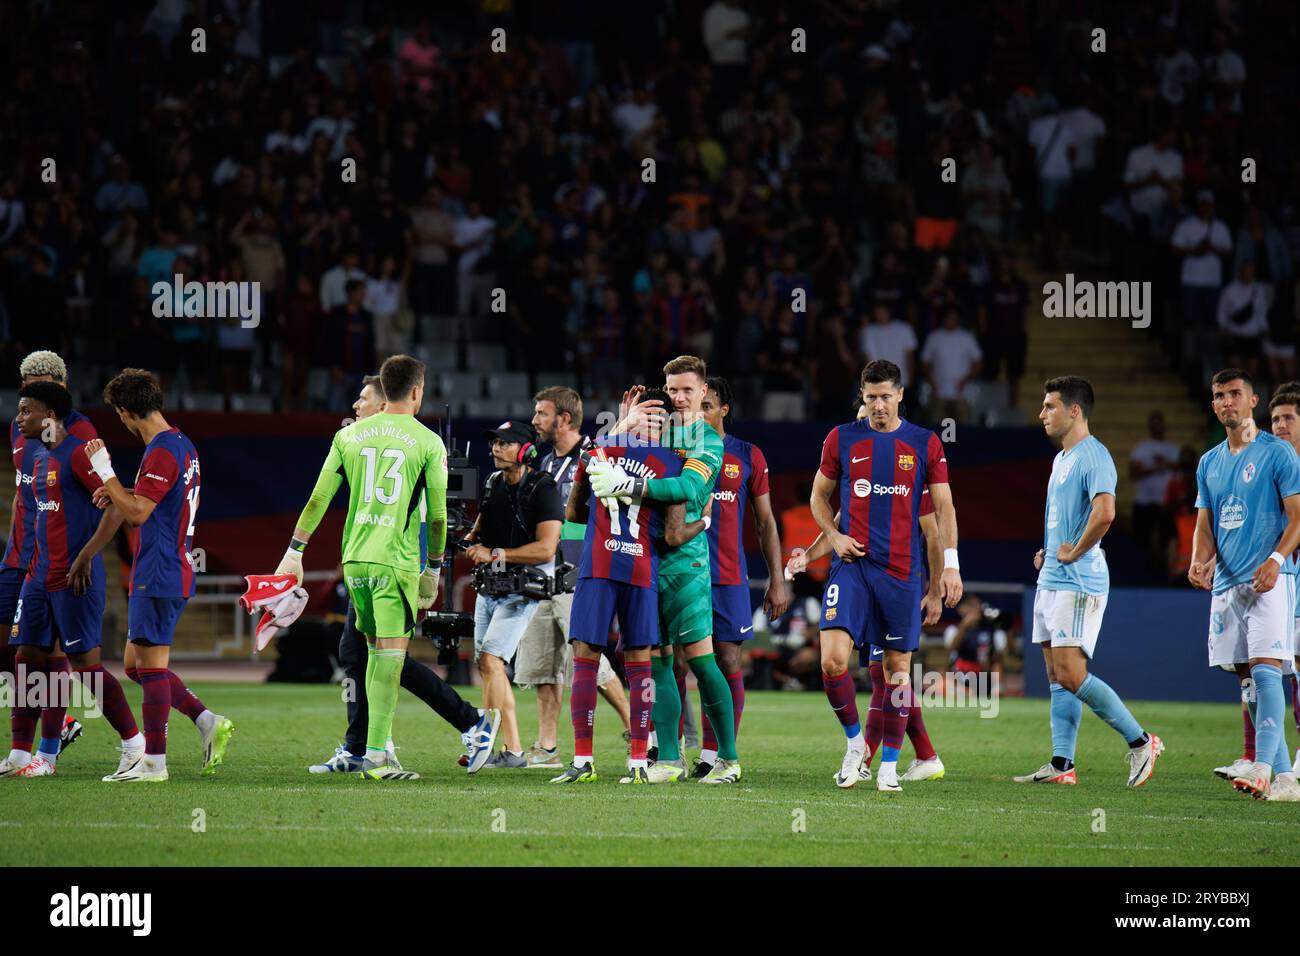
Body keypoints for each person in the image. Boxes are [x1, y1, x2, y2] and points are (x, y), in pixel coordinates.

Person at [307, 375, 499, 776]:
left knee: (375, 657)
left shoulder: (387, 443)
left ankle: (382, 745)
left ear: (383, 404)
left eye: (363, 399)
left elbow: (433, 514)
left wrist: (430, 567)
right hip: (381, 562)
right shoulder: (396, 443)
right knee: (367, 656)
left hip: (388, 561)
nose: (355, 406)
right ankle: (368, 746)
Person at [277, 355, 445, 781]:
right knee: (390, 657)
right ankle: (376, 756)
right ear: (416, 391)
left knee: (372, 653)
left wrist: (295, 551)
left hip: (354, 561)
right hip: (396, 561)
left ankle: (370, 749)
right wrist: (435, 568)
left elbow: (318, 498)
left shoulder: (349, 436)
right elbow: (439, 518)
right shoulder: (428, 442)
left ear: (383, 390)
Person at [808, 366, 961, 792]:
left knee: (895, 672)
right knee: (832, 661)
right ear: (862, 394)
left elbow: (942, 512)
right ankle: (856, 745)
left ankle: (890, 766)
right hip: (852, 567)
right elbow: (818, 496)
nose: (878, 405)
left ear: (900, 395)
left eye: (885, 397)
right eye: (871, 397)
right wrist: (833, 538)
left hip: (901, 573)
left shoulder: (924, 443)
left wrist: (949, 568)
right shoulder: (841, 438)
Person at [590, 355, 742, 784]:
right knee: (656, 661)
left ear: (702, 392)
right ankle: (670, 759)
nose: (678, 397)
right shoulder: (654, 431)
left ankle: (728, 759)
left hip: (686, 563)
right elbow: (601, 462)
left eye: (687, 390)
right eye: (672, 389)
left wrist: (633, 485)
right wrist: (622, 428)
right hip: (645, 557)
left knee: (701, 661)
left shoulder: (707, 441)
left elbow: (689, 487)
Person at [85, 369, 234, 782]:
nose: (121, 422)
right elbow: (149, 503)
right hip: (170, 566)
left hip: (159, 569)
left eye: (119, 413)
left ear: (127, 410)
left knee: (149, 669)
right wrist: (117, 492)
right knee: (135, 665)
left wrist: (104, 470)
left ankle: (154, 764)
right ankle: (205, 720)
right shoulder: (181, 444)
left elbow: (136, 515)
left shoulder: (161, 451)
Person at [1016, 377, 1163, 788]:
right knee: (1055, 674)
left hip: (1079, 578)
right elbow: (1070, 517)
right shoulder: (1062, 459)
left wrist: (1075, 551)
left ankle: (1141, 741)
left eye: (1049, 406)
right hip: (1054, 575)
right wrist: (1050, 550)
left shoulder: (1094, 456)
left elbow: (1106, 513)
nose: (1042, 414)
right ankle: (1062, 764)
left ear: (1075, 410)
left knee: (1071, 672)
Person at [551, 388, 693, 784]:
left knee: (586, 658)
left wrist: (616, 434)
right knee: (639, 663)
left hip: (599, 563)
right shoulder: (672, 462)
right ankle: (636, 763)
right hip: (641, 569)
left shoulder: (602, 448)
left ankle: (583, 761)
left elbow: (574, 509)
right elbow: (673, 533)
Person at [1, 383, 142, 779]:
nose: (19, 417)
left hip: (74, 577)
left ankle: (134, 743)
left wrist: (84, 558)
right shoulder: (38, 457)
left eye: (26, 410)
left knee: (85, 665)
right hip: (38, 576)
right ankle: (24, 756)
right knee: (26, 660)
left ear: (49, 415)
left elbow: (116, 510)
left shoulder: (79, 453)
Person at [1192, 372, 1300, 801]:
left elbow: (1297, 517)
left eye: (1235, 394)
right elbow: (1205, 523)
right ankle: (1287, 776)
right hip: (1228, 585)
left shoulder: (1278, 454)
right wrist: (1199, 561)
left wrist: (1276, 560)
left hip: (1270, 580)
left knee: (1265, 668)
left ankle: (1261, 766)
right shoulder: (1209, 462)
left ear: (1252, 400)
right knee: (1247, 679)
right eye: (1219, 396)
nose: (1227, 402)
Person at [518, 386, 630, 769]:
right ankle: (547, 747)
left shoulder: (594, 456)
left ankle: (637, 729)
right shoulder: (544, 465)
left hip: (579, 573)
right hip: (540, 576)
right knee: (545, 665)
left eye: (541, 414)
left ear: (563, 419)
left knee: (590, 662)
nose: (534, 421)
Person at [689, 377, 790, 778]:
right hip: (684, 571)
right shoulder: (680, 451)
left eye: (708, 405)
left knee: (727, 658)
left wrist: (777, 579)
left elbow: (765, 522)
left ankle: (717, 754)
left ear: (724, 410)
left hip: (728, 575)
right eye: (697, 406)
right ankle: (672, 750)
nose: (701, 413)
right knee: (685, 663)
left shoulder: (747, 455)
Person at [0, 351, 93, 766]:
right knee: (15, 653)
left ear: (61, 387)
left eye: (41, 383)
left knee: (46, 653)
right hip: (17, 555)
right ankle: (61, 721)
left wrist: (83, 554)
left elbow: (99, 499)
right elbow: (25, 490)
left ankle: (47, 748)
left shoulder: (81, 431)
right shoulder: (19, 430)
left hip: (52, 560)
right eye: (26, 386)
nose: (31, 393)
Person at [462, 421, 563, 768]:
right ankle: (514, 750)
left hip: (524, 589)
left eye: (505, 443)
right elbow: (480, 529)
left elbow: (546, 549)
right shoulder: (493, 484)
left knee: (491, 661)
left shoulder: (544, 487)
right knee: (487, 665)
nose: (495, 449)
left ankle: (482, 742)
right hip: (491, 587)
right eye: (494, 443)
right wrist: (468, 540)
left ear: (527, 451)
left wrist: (495, 554)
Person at [1129, 411, 1179, 571]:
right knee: (1142, 541)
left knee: (1167, 540)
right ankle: (1142, 572)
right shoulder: (1141, 448)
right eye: (1154, 423)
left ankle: (1164, 571)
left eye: (1159, 423)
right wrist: (1158, 467)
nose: (1157, 426)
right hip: (1144, 501)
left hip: (1166, 503)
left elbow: (1185, 471)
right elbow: (1133, 474)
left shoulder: (1174, 448)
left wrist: (1166, 465)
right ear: (1149, 426)